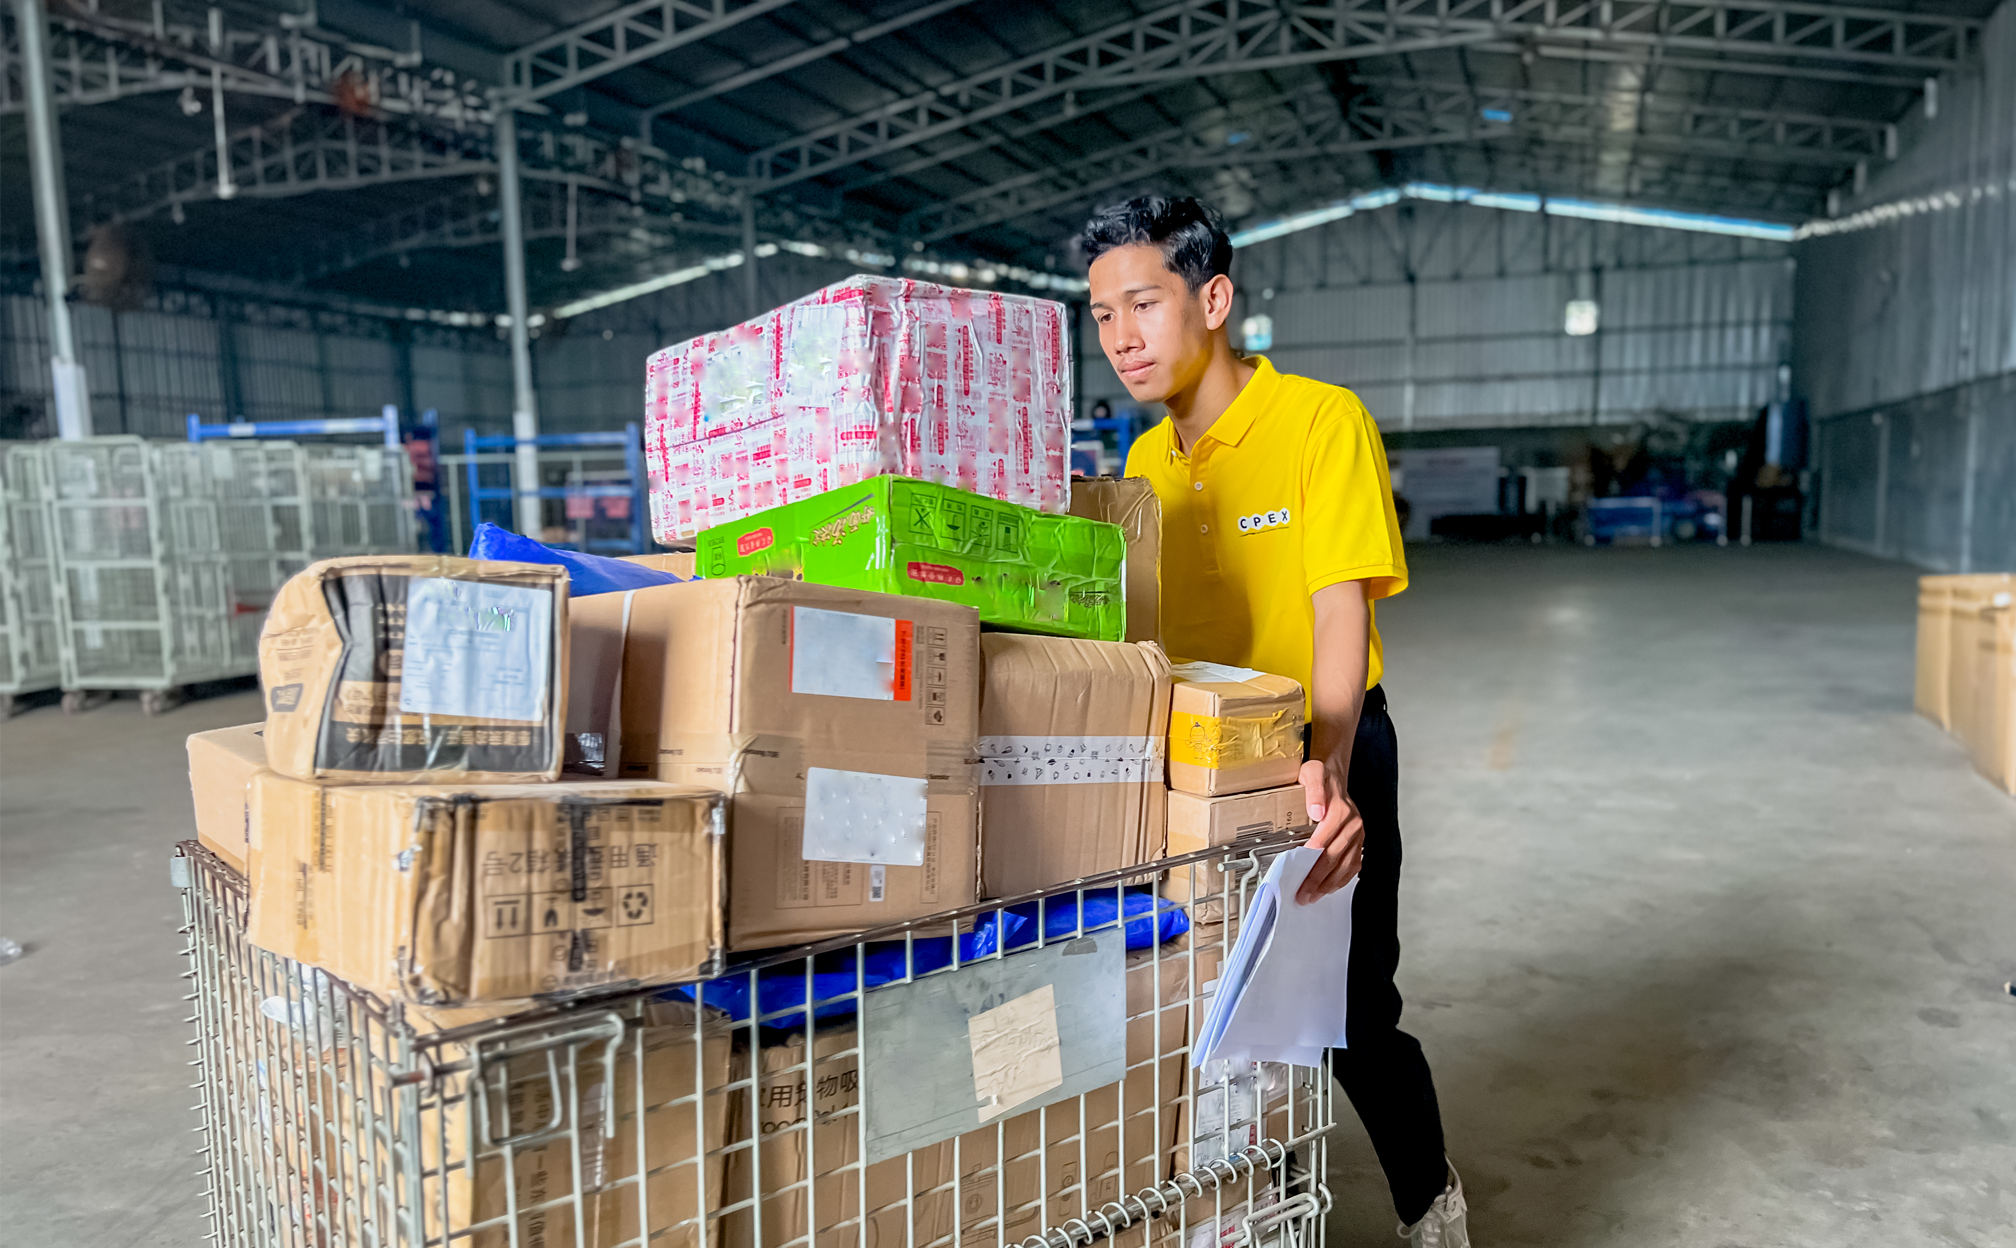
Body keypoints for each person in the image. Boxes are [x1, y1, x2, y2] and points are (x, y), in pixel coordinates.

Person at [1081, 196, 1469, 1248]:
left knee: (1347, 1014)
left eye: (1143, 304)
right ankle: (1249, 1217)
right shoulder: (1146, 465)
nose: (1120, 337)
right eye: (1102, 314)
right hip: (1213, 774)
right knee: (1217, 1010)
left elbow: (1338, 611)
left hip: (1330, 748)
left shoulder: (1319, 420)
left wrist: (1328, 771)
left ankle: (1432, 1206)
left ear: (1213, 299)